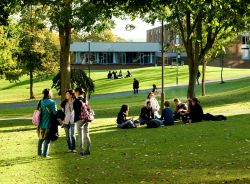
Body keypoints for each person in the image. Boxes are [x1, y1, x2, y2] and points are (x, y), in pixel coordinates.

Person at [37, 89, 57, 158]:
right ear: (49, 94)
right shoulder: (52, 102)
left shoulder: (41, 101)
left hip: (41, 123)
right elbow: (55, 113)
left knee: (41, 139)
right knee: (47, 139)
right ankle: (45, 155)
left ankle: (39, 153)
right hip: (48, 123)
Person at [74, 87, 91, 156]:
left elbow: (76, 112)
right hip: (86, 119)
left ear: (77, 92)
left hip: (79, 119)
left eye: (75, 92)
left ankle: (80, 151)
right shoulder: (84, 100)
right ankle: (87, 150)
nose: (74, 93)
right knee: (86, 134)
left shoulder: (76, 101)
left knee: (80, 136)